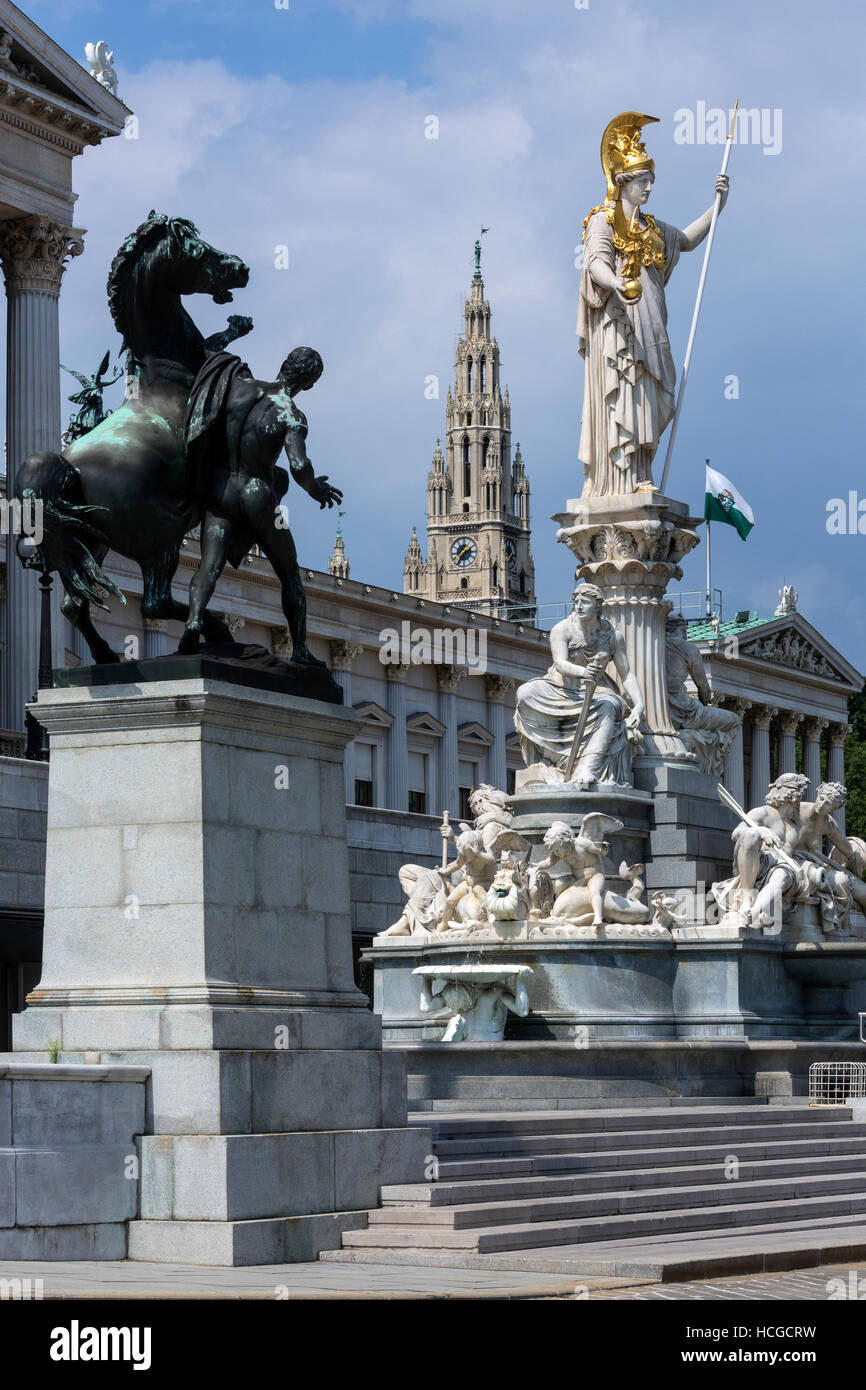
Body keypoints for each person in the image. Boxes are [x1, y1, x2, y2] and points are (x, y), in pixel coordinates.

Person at [578, 112, 729, 496]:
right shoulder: (604, 221)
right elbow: (595, 263)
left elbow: (689, 241)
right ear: (624, 182)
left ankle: (642, 466)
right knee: (625, 389)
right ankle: (625, 475)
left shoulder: (654, 229)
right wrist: (618, 283)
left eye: (650, 182)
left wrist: (718, 206)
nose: (648, 189)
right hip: (619, 325)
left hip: (653, 325)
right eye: (643, 182)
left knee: (653, 394)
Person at [179, 346, 341, 662]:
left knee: (209, 565)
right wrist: (315, 489)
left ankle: (195, 619)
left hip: (221, 490)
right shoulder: (290, 413)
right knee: (290, 573)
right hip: (258, 494)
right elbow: (298, 465)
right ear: (308, 384)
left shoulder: (240, 388)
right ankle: (301, 651)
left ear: (284, 364)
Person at [514, 583, 643, 789]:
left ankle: (587, 766)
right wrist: (583, 672)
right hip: (559, 686)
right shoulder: (562, 629)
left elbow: (626, 673)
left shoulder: (612, 635)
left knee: (610, 705)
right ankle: (550, 756)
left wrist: (639, 705)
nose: (579, 606)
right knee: (525, 693)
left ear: (598, 606)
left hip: (596, 689)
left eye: (585, 602)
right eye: (576, 602)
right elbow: (560, 664)